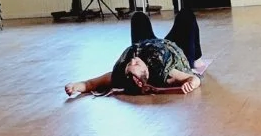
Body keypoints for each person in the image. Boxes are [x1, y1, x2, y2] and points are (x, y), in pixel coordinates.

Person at [65, 8, 203, 99]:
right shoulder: (163, 72)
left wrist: (75, 86)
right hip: (173, 49)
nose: (133, 60)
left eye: (129, 64)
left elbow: (90, 84)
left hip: (149, 45)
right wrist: (191, 84)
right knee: (186, 15)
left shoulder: (120, 74)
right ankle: (197, 58)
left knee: (138, 17)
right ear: (145, 74)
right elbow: (193, 79)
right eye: (136, 64)